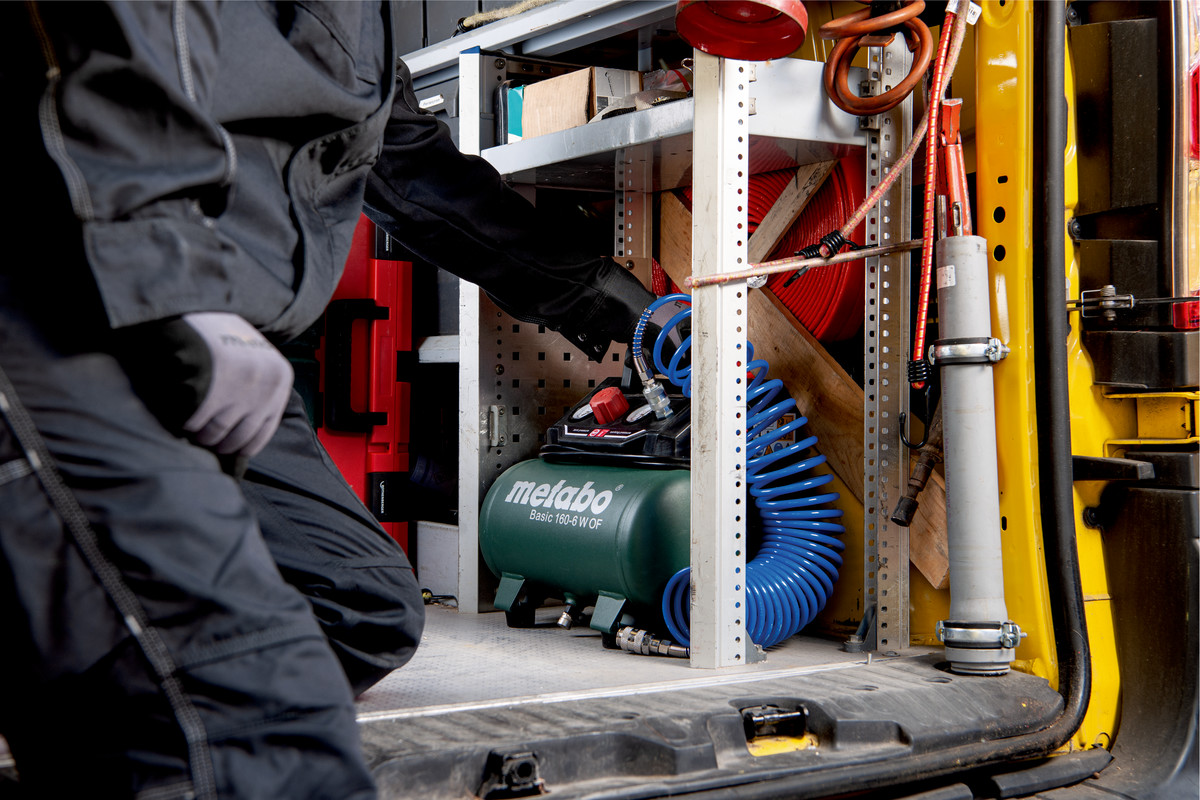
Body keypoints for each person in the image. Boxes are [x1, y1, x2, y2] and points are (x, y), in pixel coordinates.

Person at [0, 3, 655, 798]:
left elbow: (414, 177)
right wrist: (173, 281)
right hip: (81, 301)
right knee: (242, 725)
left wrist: (611, 301)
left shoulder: (362, 27)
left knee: (359, 607)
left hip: (213, 334)